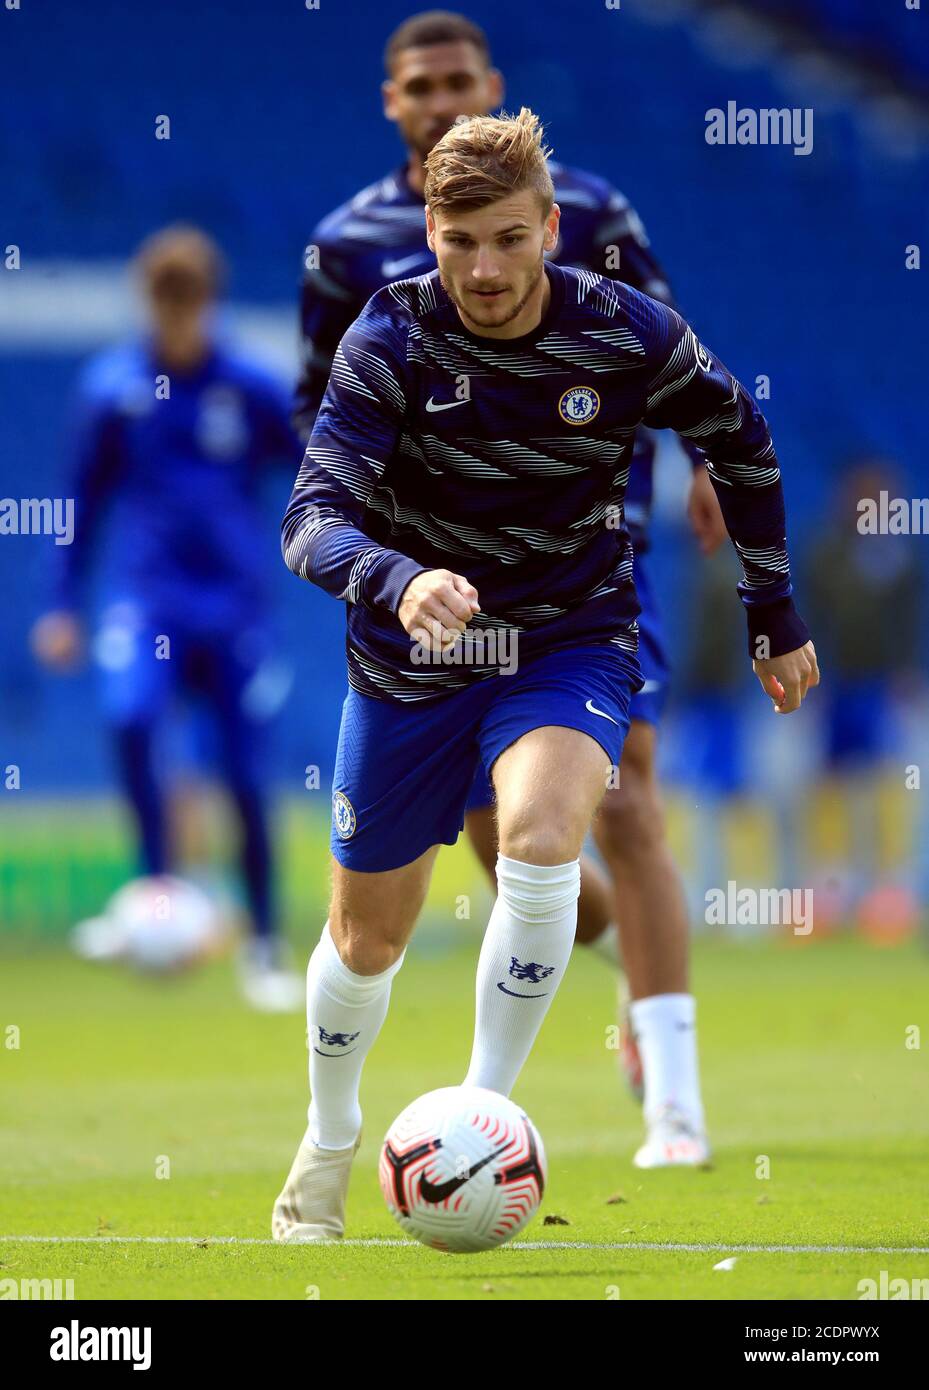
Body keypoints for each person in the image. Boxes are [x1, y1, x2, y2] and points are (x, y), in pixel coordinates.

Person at [272, 108, 818, 1241]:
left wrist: (771, 613)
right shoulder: (388, 338)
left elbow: (742, 439)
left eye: (509, 240)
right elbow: (308, 521)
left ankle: (477, 1119)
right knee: (365, 939)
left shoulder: (622, 331)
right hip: (410, 663)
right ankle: (326, 1143)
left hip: (566, 635)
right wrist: (393, 576)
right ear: (428, 229)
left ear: (550, 230)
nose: (483, 268)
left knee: (540, 837)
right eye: (460, 239)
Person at [295, 7, 729, 1167]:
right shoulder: (346, 249)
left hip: (584, 567)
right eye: (418, 84)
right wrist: (383, 557)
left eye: (458, 80)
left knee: (615, 804)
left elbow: (672, 350)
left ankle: (667, 1093)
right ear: (391, 103)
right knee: (512, 868)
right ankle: (588, 968)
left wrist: (704, 467)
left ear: (491, 84)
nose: (439, 98)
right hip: (430, 593)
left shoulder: (589, 210)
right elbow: (317, 419)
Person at [31, 225, 304, 1012]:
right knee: (130, 717)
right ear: (148, 303)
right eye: (164, 304)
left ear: (209, 303)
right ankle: (155, 895)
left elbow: (319, 466)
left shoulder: (250, 384)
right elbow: (77, 503)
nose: (177, 320)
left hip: (234, 608)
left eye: (189, 304)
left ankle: (261, 943)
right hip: (145, 599)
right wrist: (59, 603)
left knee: (246, 776)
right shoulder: (113, 388)